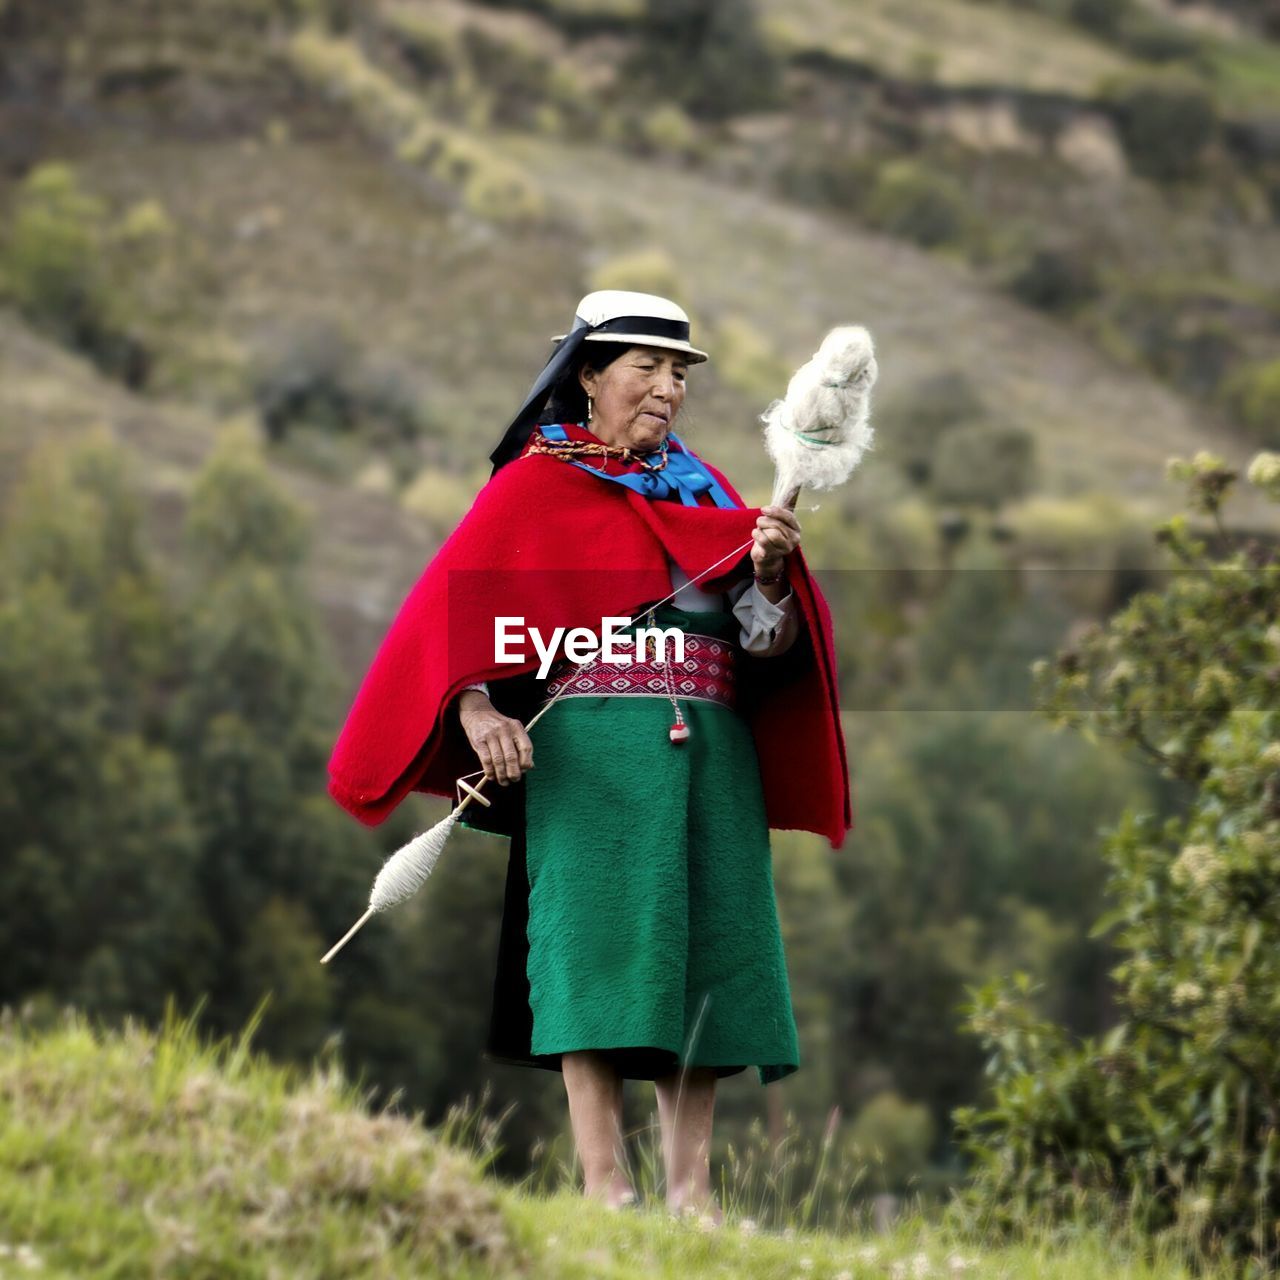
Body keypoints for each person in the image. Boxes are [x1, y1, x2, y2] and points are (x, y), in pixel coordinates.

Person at [327, 290, 852, 1221]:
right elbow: (452, 623)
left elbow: (763, 644)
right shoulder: (533, 488)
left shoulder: (716, 497)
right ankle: (606, 1187)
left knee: (711, 956)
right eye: (645, 368)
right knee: (597, 953)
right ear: (588, 375)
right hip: (590, 758)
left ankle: (690, 1198)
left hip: (712, 758)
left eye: (679, 373)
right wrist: (479, 707)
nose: (665, 389)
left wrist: (769, 580)